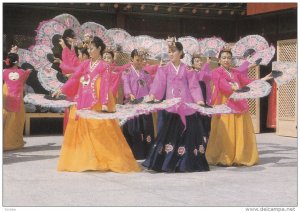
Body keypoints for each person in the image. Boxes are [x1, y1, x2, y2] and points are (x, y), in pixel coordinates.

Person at [52, 36, 140, 173]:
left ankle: (103, 159)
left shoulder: (104, 66)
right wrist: (62, 89)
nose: (89, 50)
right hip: (83, 98)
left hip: (98, 100)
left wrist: (105, 103)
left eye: (92, 48)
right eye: (89, 48)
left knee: (99, 129)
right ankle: (86, 159)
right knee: (83, 129)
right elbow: (75, 77)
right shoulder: (85, 64)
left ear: (99, 49)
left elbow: (105, 84)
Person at [142, 39, 210, 172]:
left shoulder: (188, 69)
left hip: (186, 107)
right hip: (172, 106)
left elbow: (194, 86)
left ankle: (185, 163)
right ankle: (167, 163)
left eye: (173, 51)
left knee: (188, 136)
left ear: (180, 52)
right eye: (169, 51)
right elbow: (159, 84)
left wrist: (199, 100)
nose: (170, 54)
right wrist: (152, 96)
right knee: (170, 136)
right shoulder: (164, 69)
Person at [206, 48, 272, 166]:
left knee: (240, 130)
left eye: (229, 58)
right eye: (224, 57)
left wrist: (262, 80)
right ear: (219, 60)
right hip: (225, 103)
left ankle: (239, 156)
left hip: (238, 102)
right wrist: (233, 88)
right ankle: (224, 157)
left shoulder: (236, 72)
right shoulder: (216, 72)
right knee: (225, 131)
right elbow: (222, 85)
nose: (226, 60)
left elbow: (248, 82)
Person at [121, 49, 155, 160]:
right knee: (133, 130)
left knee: (147, 129)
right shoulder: (126, 72)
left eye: (141, 60)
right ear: (131, 59)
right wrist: (129, 94)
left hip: (144, 104)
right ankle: (134, 154)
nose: (139, 62)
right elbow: (126, 84)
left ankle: (148, 153)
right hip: (132, 103)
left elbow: (151, 87)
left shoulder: (145, 73)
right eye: (137, 60)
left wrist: (152, 96)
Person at [3, 51, 31, 151]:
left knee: (5, 120)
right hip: (17, 100)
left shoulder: (3, 72)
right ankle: (13, 142)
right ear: (17, 61)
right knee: (17, 121)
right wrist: (28, 72)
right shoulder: (22, 72)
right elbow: (23, 81)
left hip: (6, 98)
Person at [192, 54, 213, 147]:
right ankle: (200, 143)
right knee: (198, 124)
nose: (200, 62)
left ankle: (207, 143)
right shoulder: (192, 73)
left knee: (207, 123)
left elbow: (208, 76)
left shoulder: (203, 72)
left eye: (200, 60)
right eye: (197, 61)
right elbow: (200, 77)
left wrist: (207, 64)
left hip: (206, 99)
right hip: (197, 101)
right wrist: (206, 64)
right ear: (192, 64)